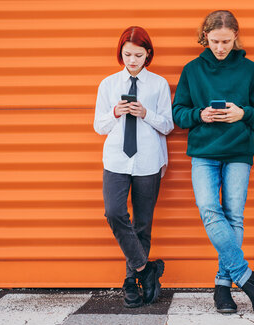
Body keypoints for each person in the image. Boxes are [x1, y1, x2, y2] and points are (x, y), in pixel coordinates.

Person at [172, 10, 254, 314]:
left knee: (234, 217)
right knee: (209, 210)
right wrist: (199, 115)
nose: (220, 47)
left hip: (239, 152)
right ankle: (247, 278)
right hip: (203, 152)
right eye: (215, 41)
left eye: (226, 41)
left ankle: (222, 287)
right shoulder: (192, 70)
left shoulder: (251, 70)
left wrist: (243, 114)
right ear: (205, 37)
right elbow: (178, 113)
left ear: (236, 38)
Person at [94, 26, 174, 307]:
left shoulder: (159, 84)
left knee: (142, 224)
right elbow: (99, 126)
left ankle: (131, 281)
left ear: (148, 54)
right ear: (121, 53)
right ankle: (145, 268)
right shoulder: (108, 84)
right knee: (114, 213)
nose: (132, 60)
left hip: (148, 160)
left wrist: (146, 113)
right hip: (116, 158)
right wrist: (116, 112)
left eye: (138, 55)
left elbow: (168, 125)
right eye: (127, 54)